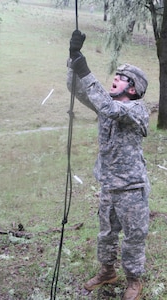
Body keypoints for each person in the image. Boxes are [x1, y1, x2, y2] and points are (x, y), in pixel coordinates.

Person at [66, 30, 150, 300]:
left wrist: (86, 70)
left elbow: (113, 110)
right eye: (115, 76)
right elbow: (77, 90)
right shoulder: (106, 105)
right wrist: (73, 60)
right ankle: (107, 271)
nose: (114, 80)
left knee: (133, 237)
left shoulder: (137, 111)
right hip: (109, 186)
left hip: (132, 189)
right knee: (106, 234)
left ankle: (134, 280)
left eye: (121, 79)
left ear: (133, 88)